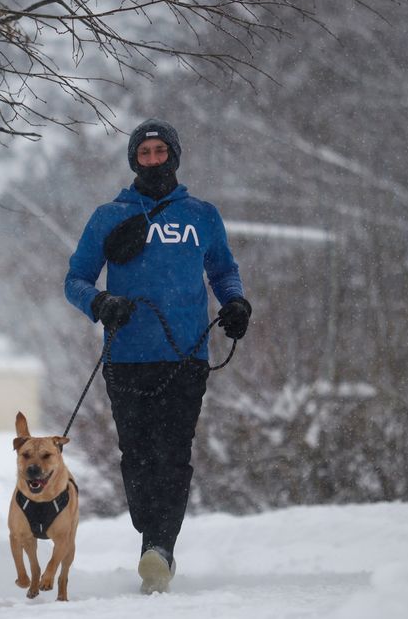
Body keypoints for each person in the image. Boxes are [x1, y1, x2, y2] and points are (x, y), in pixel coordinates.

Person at [64, 118, 251, 594]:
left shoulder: (202, 216)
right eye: (143, 153)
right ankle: (151, 531)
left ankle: (160, 547)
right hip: (124, 357)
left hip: (186, 356)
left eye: (159, 152)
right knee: (137, 455)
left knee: (173, 454)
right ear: (133, 161)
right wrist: (100, 303)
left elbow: (224, 271)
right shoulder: (109, 216)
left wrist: (235, 303)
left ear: (174, 156)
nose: (152, 160)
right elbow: (76, 281)